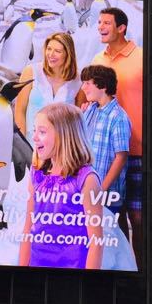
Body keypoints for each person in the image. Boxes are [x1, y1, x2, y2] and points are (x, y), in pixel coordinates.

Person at [86, 7, 143, 265]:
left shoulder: (141, 58)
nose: (100, 26)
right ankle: (119, 265)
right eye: (98, 22)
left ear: (121, 27)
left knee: (138, 217)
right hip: (105, 155)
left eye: (106, 22)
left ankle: (140, 268)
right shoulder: (98, 58)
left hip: (138, 150)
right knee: (112, 215)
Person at [18, 103, 103, 270]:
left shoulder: (87, 179)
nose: (34, 137)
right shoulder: (36, 174)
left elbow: (96, 243)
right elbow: (28, 228)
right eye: (35, 130)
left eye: (42, 132)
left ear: (65, 136)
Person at [79, 64, 131, 223]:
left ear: (102, 85)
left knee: (110, 241)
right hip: (85, 191)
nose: (83, 87)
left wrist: (101, 191)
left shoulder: (118, 117)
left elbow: (120, 158)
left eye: (88, 83)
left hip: (106, 196)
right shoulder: (89, 110)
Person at [14, 32, 80, 140]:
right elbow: (19, 111)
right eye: (49, 49)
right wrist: (23, 145)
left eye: (57, 51)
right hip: (32, 144)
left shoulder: (78, 80)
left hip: (62, 147)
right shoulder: (31, 72)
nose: (51, 54)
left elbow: (78, 120)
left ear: (68, 54)